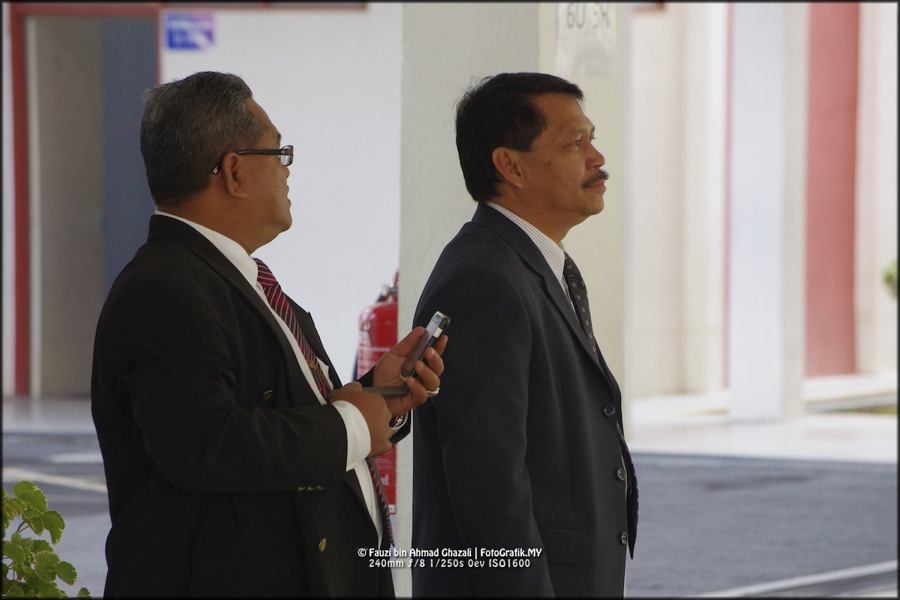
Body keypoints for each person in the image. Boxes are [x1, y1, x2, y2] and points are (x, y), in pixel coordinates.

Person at [91, 71, 446, 597]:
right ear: (235, 171)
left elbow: (282, 411)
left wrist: (379, 394)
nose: (287, 170)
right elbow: (207, 445)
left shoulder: (233, 279)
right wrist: (352, 424)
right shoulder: (164, 289)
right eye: (279, 153)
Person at [410, 72, 638, 597]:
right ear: (510, 166)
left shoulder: (526, 264)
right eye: (575, 143)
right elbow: (490, 485)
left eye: (592, 139)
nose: (597, 158)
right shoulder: (484, 279)